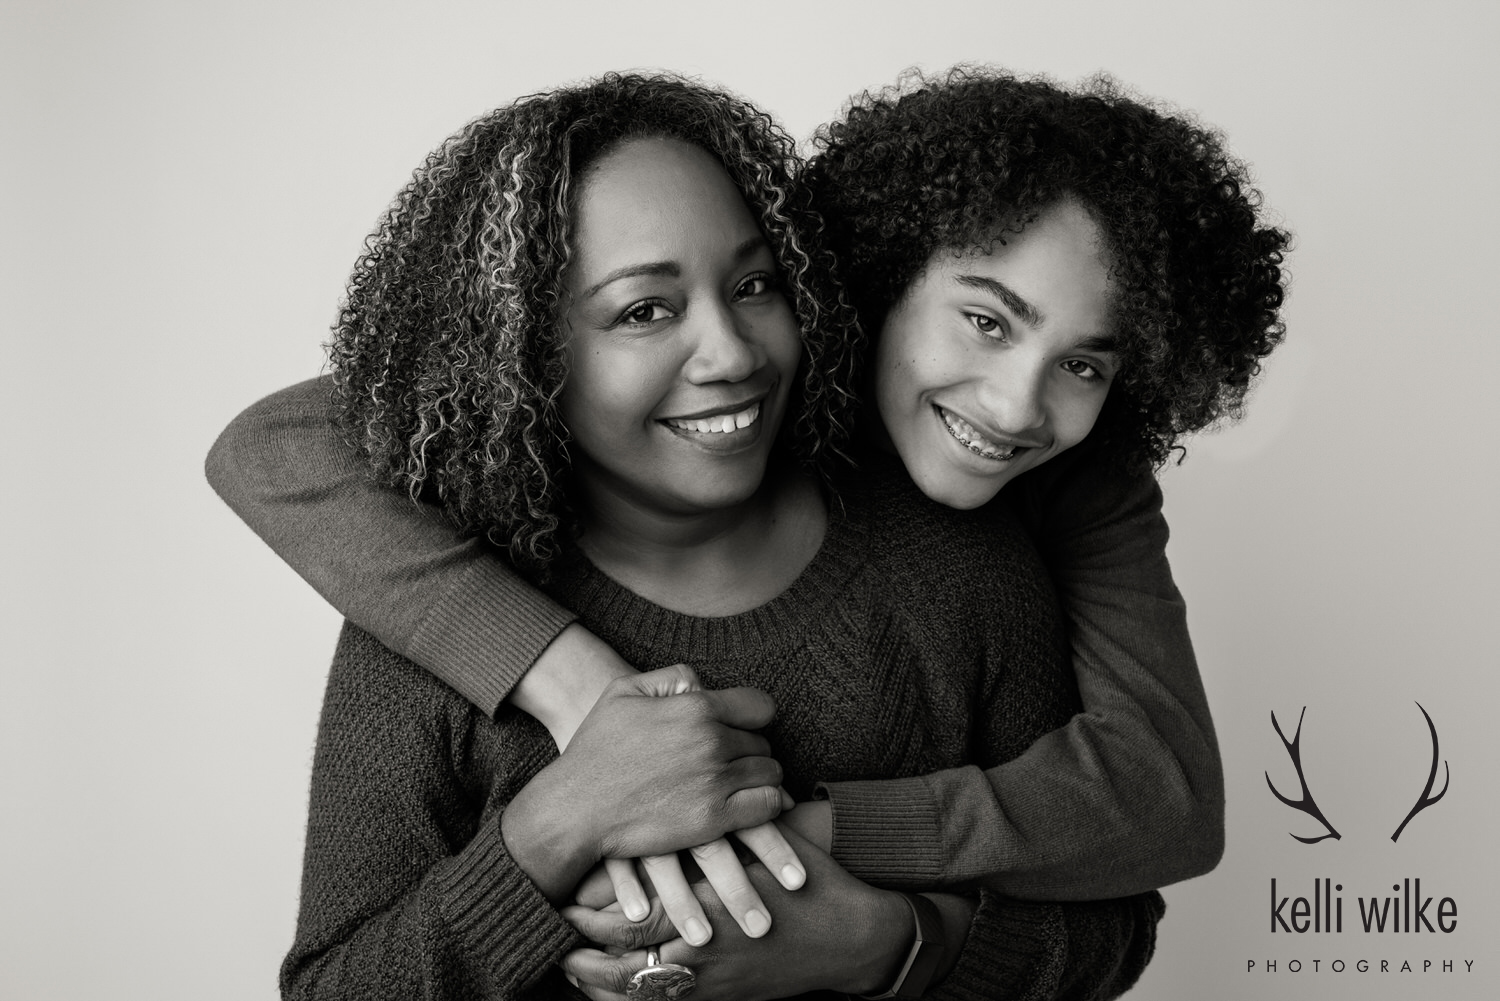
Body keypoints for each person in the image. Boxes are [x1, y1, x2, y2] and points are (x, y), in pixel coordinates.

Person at [209, 66, 1288, 943]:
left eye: (1086, 364)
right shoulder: (752, 349)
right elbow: (273, 441)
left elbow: (1163, 796)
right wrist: (577, 686)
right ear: (873, 275)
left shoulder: (1054, 500)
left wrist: (830, 861)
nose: (1014, 405)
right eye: (988, 322)